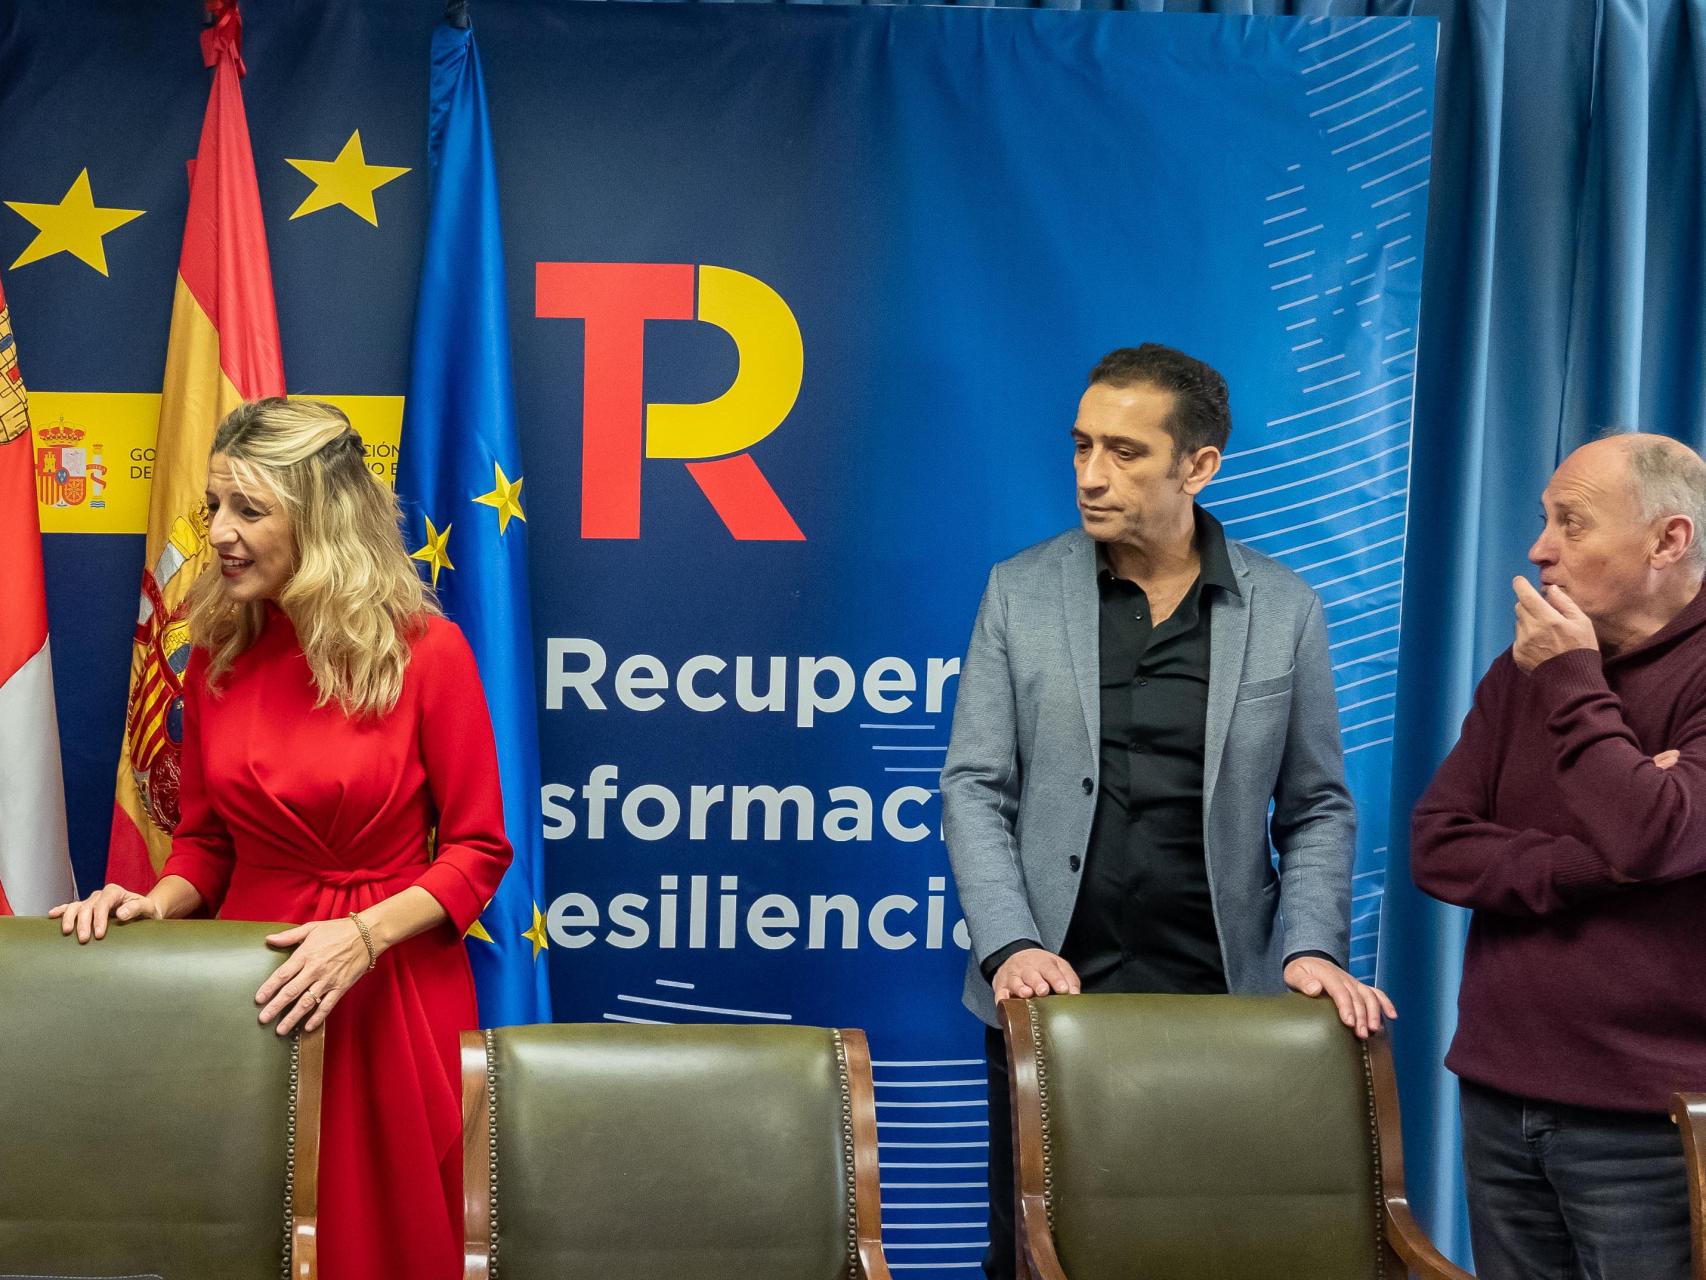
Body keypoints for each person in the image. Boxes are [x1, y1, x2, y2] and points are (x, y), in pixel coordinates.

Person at [942, 343, 1394, 1280]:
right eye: (1080, 447)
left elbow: (1315, 807)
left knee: (1206, 1256)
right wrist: (1011, 945)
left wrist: (1310, 946)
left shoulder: (1287, 608)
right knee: (1034, 1258)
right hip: (1050, 998)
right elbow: (974, 788)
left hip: (1222, 1007)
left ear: (1198, 465)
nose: (1091, 476)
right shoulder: (1018, 592)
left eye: (1124, 452)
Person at [52, 398, 511, 1280]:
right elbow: (207, 843)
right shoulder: (219, 653)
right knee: (250, 1235)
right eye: (216, 505)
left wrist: (364, 936)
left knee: (379, 1245)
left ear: (324, 517)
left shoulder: (428, 653)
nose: (219, 532)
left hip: (388, 991)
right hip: (256, 985)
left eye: (249, 510)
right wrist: (155, 902)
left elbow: (480, 851)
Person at [1411, 432, 1706, 1280]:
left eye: (1570, 522)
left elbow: (1650, 831)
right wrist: (1604, 861)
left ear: (1668, 540)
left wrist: (1576, 678)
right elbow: (1439, 844)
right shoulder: (1523, 668)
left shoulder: (1557, 663)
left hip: (1648, 1120)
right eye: (1545, 519)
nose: (1540, 548)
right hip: (1499, 1096)